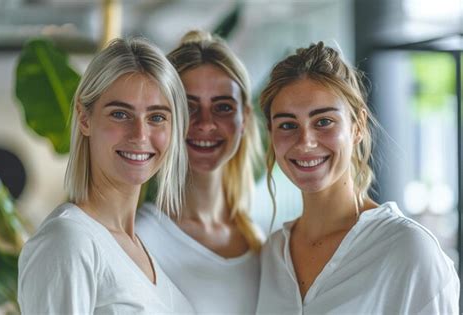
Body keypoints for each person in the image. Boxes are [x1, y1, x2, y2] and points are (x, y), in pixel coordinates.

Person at [256, 41, 460, 314]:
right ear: (271, 133)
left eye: (323, 121)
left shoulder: (408, 249)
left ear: (358, 126)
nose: (305, 142)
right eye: (288, 125)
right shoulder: (272, 254)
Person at [17, 37, 194, 313]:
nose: (140, 134)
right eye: (121, 114)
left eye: (157, 117)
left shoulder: (139, 247)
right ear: (84, 118)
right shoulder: (69, 242)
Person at [136, 30, 264, 314]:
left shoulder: (260, 241)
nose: (205, 124)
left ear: (245, 118)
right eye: (188, 106)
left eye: (222, 107)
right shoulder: (139, 238)